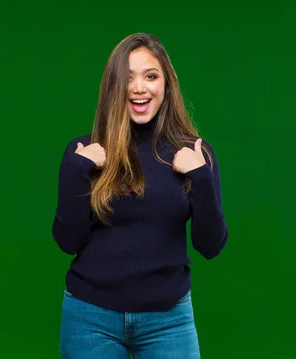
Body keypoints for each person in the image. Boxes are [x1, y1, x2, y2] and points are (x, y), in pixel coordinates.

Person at [51, 32, 228, 359]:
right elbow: (67, 242)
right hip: (90, 319)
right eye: (127, 78)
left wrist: (201, 177)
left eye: (150, 76)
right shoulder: (84, 152)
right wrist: (78, 171)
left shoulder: (195, 154)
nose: (139, 87)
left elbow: (210, 246)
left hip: (168, 321)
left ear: (167, 84)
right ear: (113, 88)